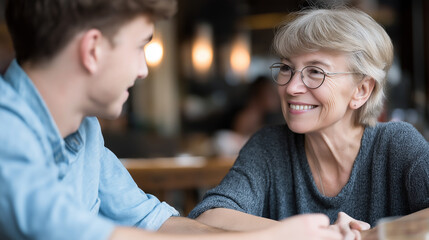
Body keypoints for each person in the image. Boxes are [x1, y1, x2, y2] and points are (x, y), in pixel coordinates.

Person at [0, 0, 343, 240]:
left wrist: (294, 233)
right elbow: (72, 233)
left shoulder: (85, 130)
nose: (143, 69)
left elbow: (154, 222)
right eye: (139, 47)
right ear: (93, 50)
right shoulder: (6, 128)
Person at [189, 7, 429, 239]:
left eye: (315, 71)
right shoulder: (269, 147)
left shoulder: (396, 145)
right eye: (286, 68)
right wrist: (316, 234)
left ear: (361, 90)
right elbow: (210, 217)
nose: (291, 87)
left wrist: (366, 235)